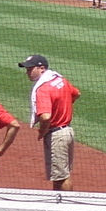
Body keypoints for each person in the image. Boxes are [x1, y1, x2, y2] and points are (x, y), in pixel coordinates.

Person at [20, 54, 81, 191]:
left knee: (61, 176)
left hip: (56, 135)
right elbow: (76, 93)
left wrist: (43, 131)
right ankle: (61, 205)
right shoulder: (60, 80)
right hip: (67, 132)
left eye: (30, 69)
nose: (27, 72)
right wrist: (63, 106)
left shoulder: (43, 89)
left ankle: (64, 207)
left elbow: (46, 117)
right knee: (61, 174)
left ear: (42, 68)